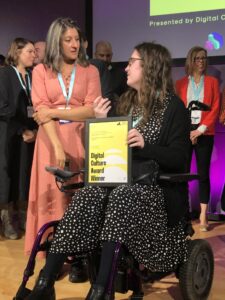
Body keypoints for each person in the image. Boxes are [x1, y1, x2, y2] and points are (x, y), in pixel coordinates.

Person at [26, 42, 190, 300]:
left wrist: (147, 146)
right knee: (86, 197)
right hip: (119, 184)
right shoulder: (125, 104)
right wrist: (101, 124)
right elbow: (106, 150)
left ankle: (101, 289)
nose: (126, 67)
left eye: (132, 62)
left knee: (121, 196)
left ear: (150, 67)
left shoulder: (173, 108)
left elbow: (181, 157)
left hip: (156, 190)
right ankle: (46, 281)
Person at [24, 17, 101, 258]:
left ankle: (77, 255)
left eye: (77, 39)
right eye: (68, 40)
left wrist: (55, 111)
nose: (75, 44)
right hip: (50, 140)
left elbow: (91, 110)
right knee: (52, 197)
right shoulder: (40, 70)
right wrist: (57, 146)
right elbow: (40, 110)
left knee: (76, 197)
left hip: (80, 138)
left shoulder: (91, 70)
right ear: (57, 41)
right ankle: (51, 254)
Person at [176, 46, 220, 232]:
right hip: (185, 134)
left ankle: (203, 215)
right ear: (190, 61)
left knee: (203, 175)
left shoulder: (212, 82)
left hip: (205, 133)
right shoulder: (179, 84)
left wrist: (200, 130)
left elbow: (215, 108)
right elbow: (178, 111)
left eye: (204, 58)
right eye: (197, 58)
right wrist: (188, 131)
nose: (201, 61)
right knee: (182, 174)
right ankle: (183, 214)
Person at [0, 38, 36, 239]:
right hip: (9, 133)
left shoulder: (31, 76)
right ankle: (7, 220)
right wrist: (21, 129)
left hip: (28, 134)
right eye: (30, 51)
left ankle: (22, 217)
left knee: (24, 176)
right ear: (17, 52)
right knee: (7, 177)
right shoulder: (5, 74)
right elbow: (3, 107)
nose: (34, 55)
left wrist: (34, 130)